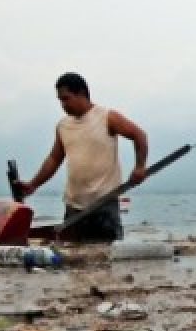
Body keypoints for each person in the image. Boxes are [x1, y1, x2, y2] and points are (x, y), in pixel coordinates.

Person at [14, 72, 148, 242]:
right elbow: (54, 159)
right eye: (60, 100)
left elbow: (139, 135)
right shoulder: (63, 126)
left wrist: (140, 167)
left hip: (104, 202)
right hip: (74, 205)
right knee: (72, 259)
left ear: (82, 93)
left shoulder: (107, 117)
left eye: (66, 98)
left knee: (106, 257)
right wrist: (33, 184)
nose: (63, 105)